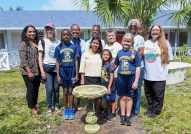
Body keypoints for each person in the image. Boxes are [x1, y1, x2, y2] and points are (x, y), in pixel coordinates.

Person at [143, 25, 173, 118]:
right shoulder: (146, 43)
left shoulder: (165, 43)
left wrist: (162, 69)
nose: (155, 31)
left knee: (158, 94)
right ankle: (150, 108)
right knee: (148, 93)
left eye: (157, 30)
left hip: (159, 75)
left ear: (160, 32)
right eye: (153, 30)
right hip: (147, 74)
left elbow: (169, 59)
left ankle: (156, 111)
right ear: (150, 31)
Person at [114, 33, 140, 126]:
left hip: (131, 78)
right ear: (122, 41)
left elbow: (138, 67)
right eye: (125, 41)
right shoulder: (119, 52)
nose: (126, 43)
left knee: (129, 97)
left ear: (132, 43)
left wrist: (136, 81)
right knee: (122, 97)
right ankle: (123, 116)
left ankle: (128, 117)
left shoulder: (135, 53)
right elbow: (115, 64)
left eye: (129, 41)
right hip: (121, 78)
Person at [54, 29, 79, 120]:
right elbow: (57, 62)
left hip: (72, 70)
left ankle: (71, 109)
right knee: (65, 91)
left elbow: (76, 61)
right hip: (63, 70)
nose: (66, 36)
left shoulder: (74, 47)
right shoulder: (58, 47)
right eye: (64, 35)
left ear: (70, 35)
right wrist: (58, 75)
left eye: (67, 35)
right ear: (61, 36)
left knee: (71, 91)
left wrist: (76, 74)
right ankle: (66, 109)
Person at [38, 23, 61, 116]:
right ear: (45, 31)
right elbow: (39, 57)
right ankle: (49, 107)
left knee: (56, 88)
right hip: (46, 68)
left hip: (56, 68)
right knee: (49, 89)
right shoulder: (42, 42)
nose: (49, 31)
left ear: (54, 30)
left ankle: (56, 105)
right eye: (47, 29)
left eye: (51, 29)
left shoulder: (58, 42)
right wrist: (42, 71)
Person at [19, 25, 41, 115]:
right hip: (28, 71)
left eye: (33, 32)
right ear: (26, 33)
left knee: (36, 89)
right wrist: (29, 72)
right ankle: (31, 107)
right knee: (31, 89)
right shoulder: (23, 44)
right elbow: (23, 60)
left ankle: (34, 105)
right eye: (30, 32)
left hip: (37, 71)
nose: (32, 33)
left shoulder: (37, 42)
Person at [79, 36, 103, 114]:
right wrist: (82, 80)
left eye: (97, 43)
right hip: (88, 78)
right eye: (94, 43)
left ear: (99, 45)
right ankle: (90, 112)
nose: (95, 45)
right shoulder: (85, 54)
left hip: (99, 78)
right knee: (89, 97)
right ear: (91, 43)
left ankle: (97, 112)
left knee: (98, 98)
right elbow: (82, 68)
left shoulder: (101, 54)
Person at [128, 19, 145, 116]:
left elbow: (141, 53)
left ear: (137, 28)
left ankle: (135, 109)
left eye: (135, 26)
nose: (133, 27)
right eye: (131, 25)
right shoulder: (128, 37)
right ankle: (129, 107)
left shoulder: (140, 38)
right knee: (130, 87)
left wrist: (133, 63)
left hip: (138, 67)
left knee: (137, 88)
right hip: (129, 68)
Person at [104, 28, 123, 114]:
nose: (111, 37)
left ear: (115, 36)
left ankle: (115, 108)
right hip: (107, 75)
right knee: (109, 91)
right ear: (106, 37)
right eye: (109, 36)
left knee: (115, 92)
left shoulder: (118, 46)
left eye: (112, 35)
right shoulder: (105, 46)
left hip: (116, 73)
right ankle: (109, 109)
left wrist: (113, 68)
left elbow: (120, 60)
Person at [70, 24, 86, 110]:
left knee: (80, 84)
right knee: (72, 85)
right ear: (71, 31)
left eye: (77, 30)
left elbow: (84, 55)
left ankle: (78, 103)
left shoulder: (82, 42)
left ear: (79, 31)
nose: (75, 31)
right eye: (73, 30)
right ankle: (71, 104)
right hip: (71, 66)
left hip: (80, 65)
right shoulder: (68, 41)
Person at [101, 49, 116, 122]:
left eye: (107, 55)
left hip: (110, 86)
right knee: (107, 100)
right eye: (104, 54)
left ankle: (113, 114)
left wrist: (109, 87)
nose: (105, 56)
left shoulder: (110, 65)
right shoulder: (102, 64)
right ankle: (109, 113)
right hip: (104, 86)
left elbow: (112, 76)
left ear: (110, 56)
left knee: (112, 100)